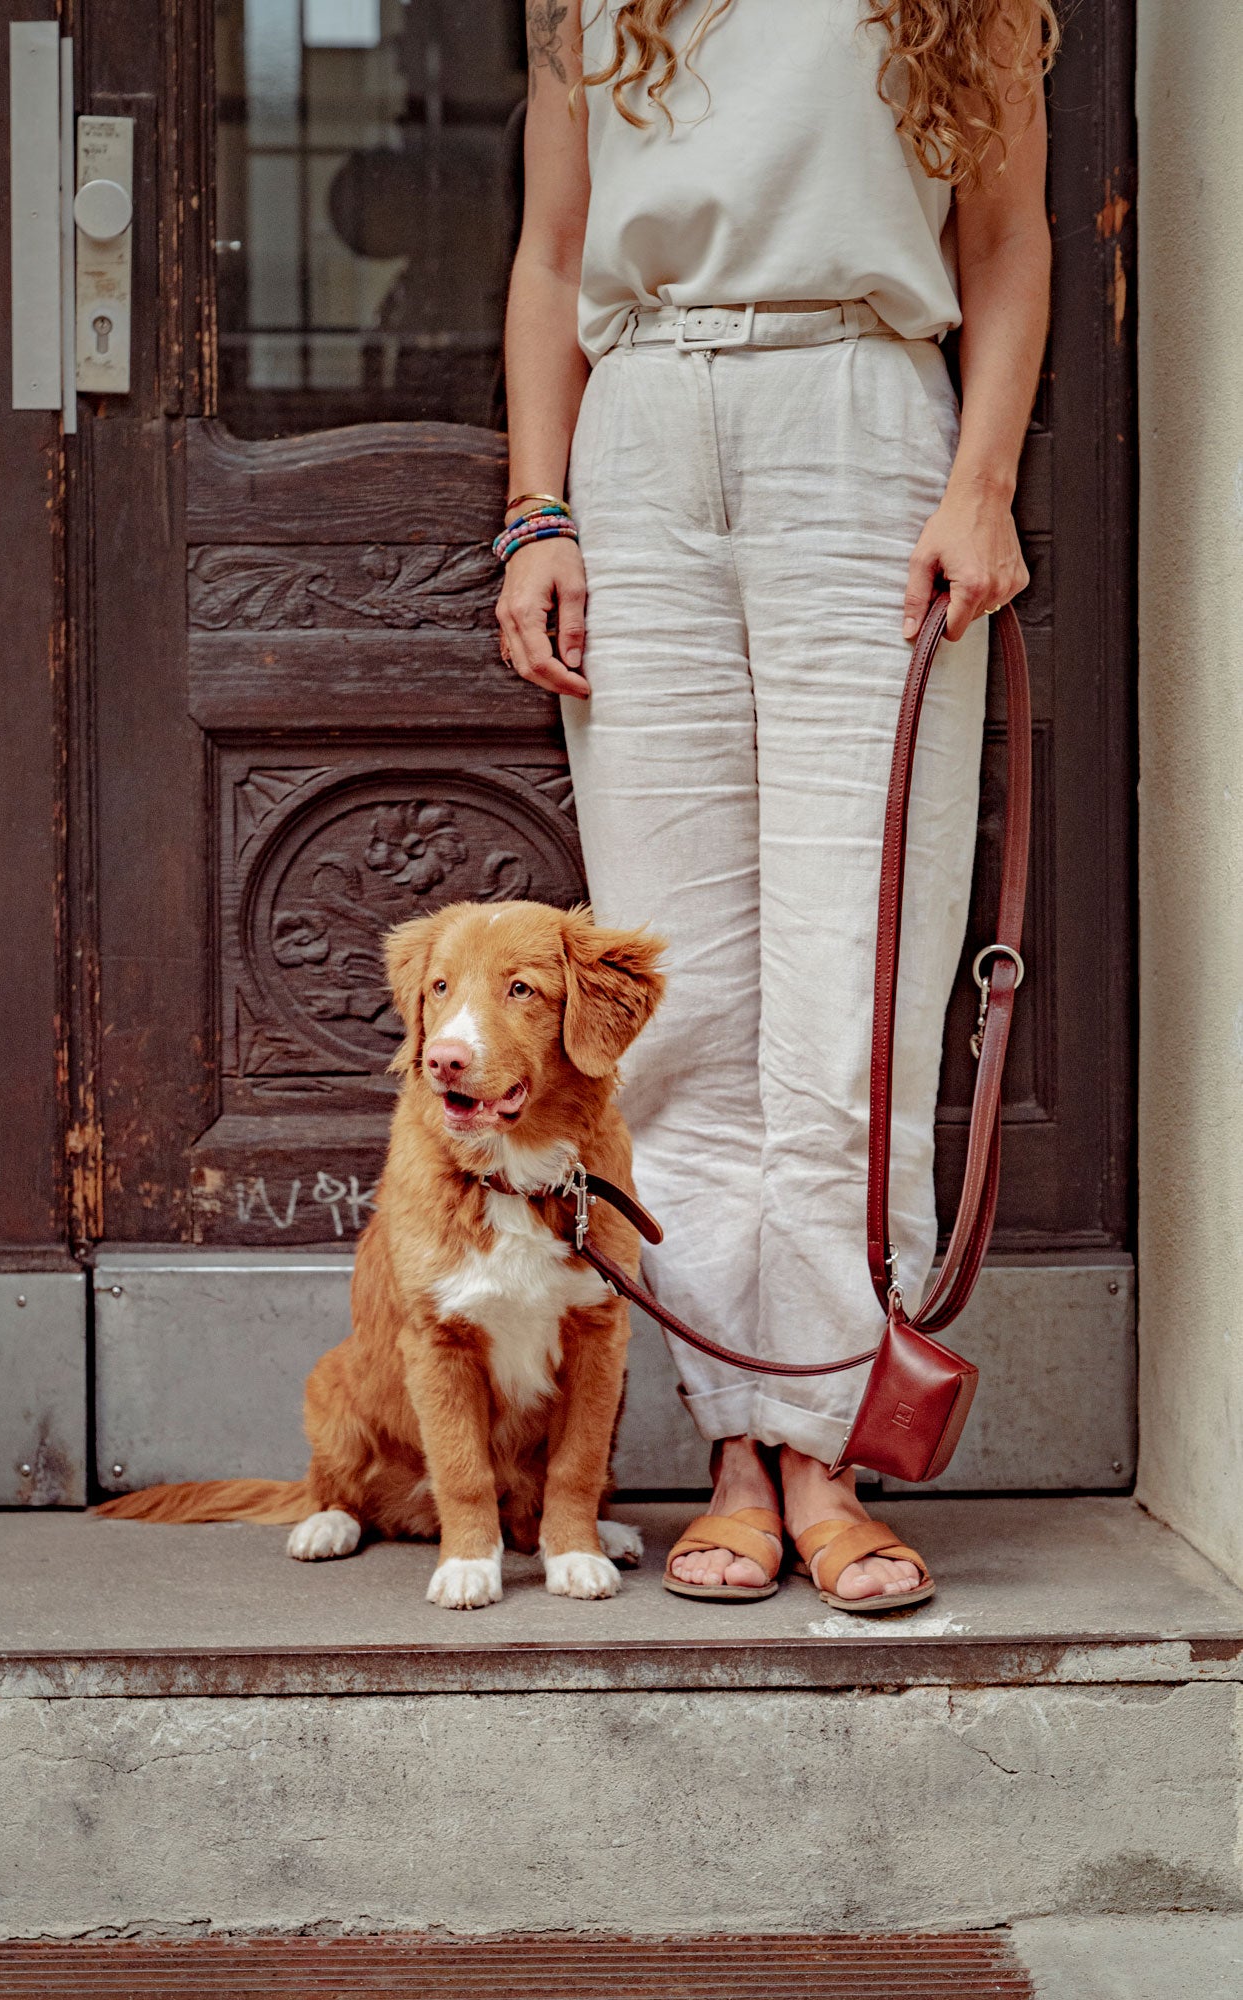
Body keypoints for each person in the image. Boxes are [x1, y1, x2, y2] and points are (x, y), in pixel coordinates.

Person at [494, 0, 1053, 1608]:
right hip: (644, 430)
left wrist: (979, 488)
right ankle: (726, 1447)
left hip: (861, 419)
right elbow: (551, 253)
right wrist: (536, 511)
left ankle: (826, 1451)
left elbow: (1009, 246)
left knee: (850, 971)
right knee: (670, 992)